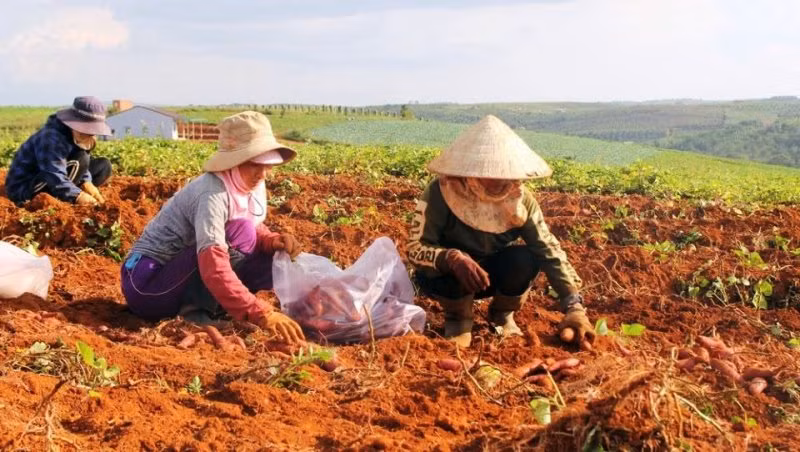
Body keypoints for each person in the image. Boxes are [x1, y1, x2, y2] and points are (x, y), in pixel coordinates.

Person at [407, 115, 595, 349]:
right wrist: (451, 258)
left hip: (488, 274)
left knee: (524, 258)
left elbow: (548, 249)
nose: (498, 180)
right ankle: (458, 319)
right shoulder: (440, 192)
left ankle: (503, 314)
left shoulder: (521, 201)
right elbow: (415, 249)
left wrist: (573, 305)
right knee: (454, 270)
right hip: (447, 278)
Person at [120, 111, 305, 345]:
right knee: (239, 234)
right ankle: (195, 314)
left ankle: (214, 307)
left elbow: (250, 225)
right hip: (148, 285)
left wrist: (271, 240)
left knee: (273, 259)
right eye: (254, 163)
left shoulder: (248, 183)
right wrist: (262, 313)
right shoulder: (212, 192)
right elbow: (213, 262)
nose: (262, 173)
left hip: (180, 275)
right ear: (235, 161)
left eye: (267, 164)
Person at [5, 96, 112, 206]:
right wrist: (78, 196)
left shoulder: (74, 134)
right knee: (82, 158)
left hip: (55, 174)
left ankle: (70, 191)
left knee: (103, 166)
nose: (89, 134)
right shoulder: (51, 137)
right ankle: (68, 195)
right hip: (26, 188)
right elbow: (53, 173)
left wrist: (87, 182)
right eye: (87, 130)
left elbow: (81, 165)